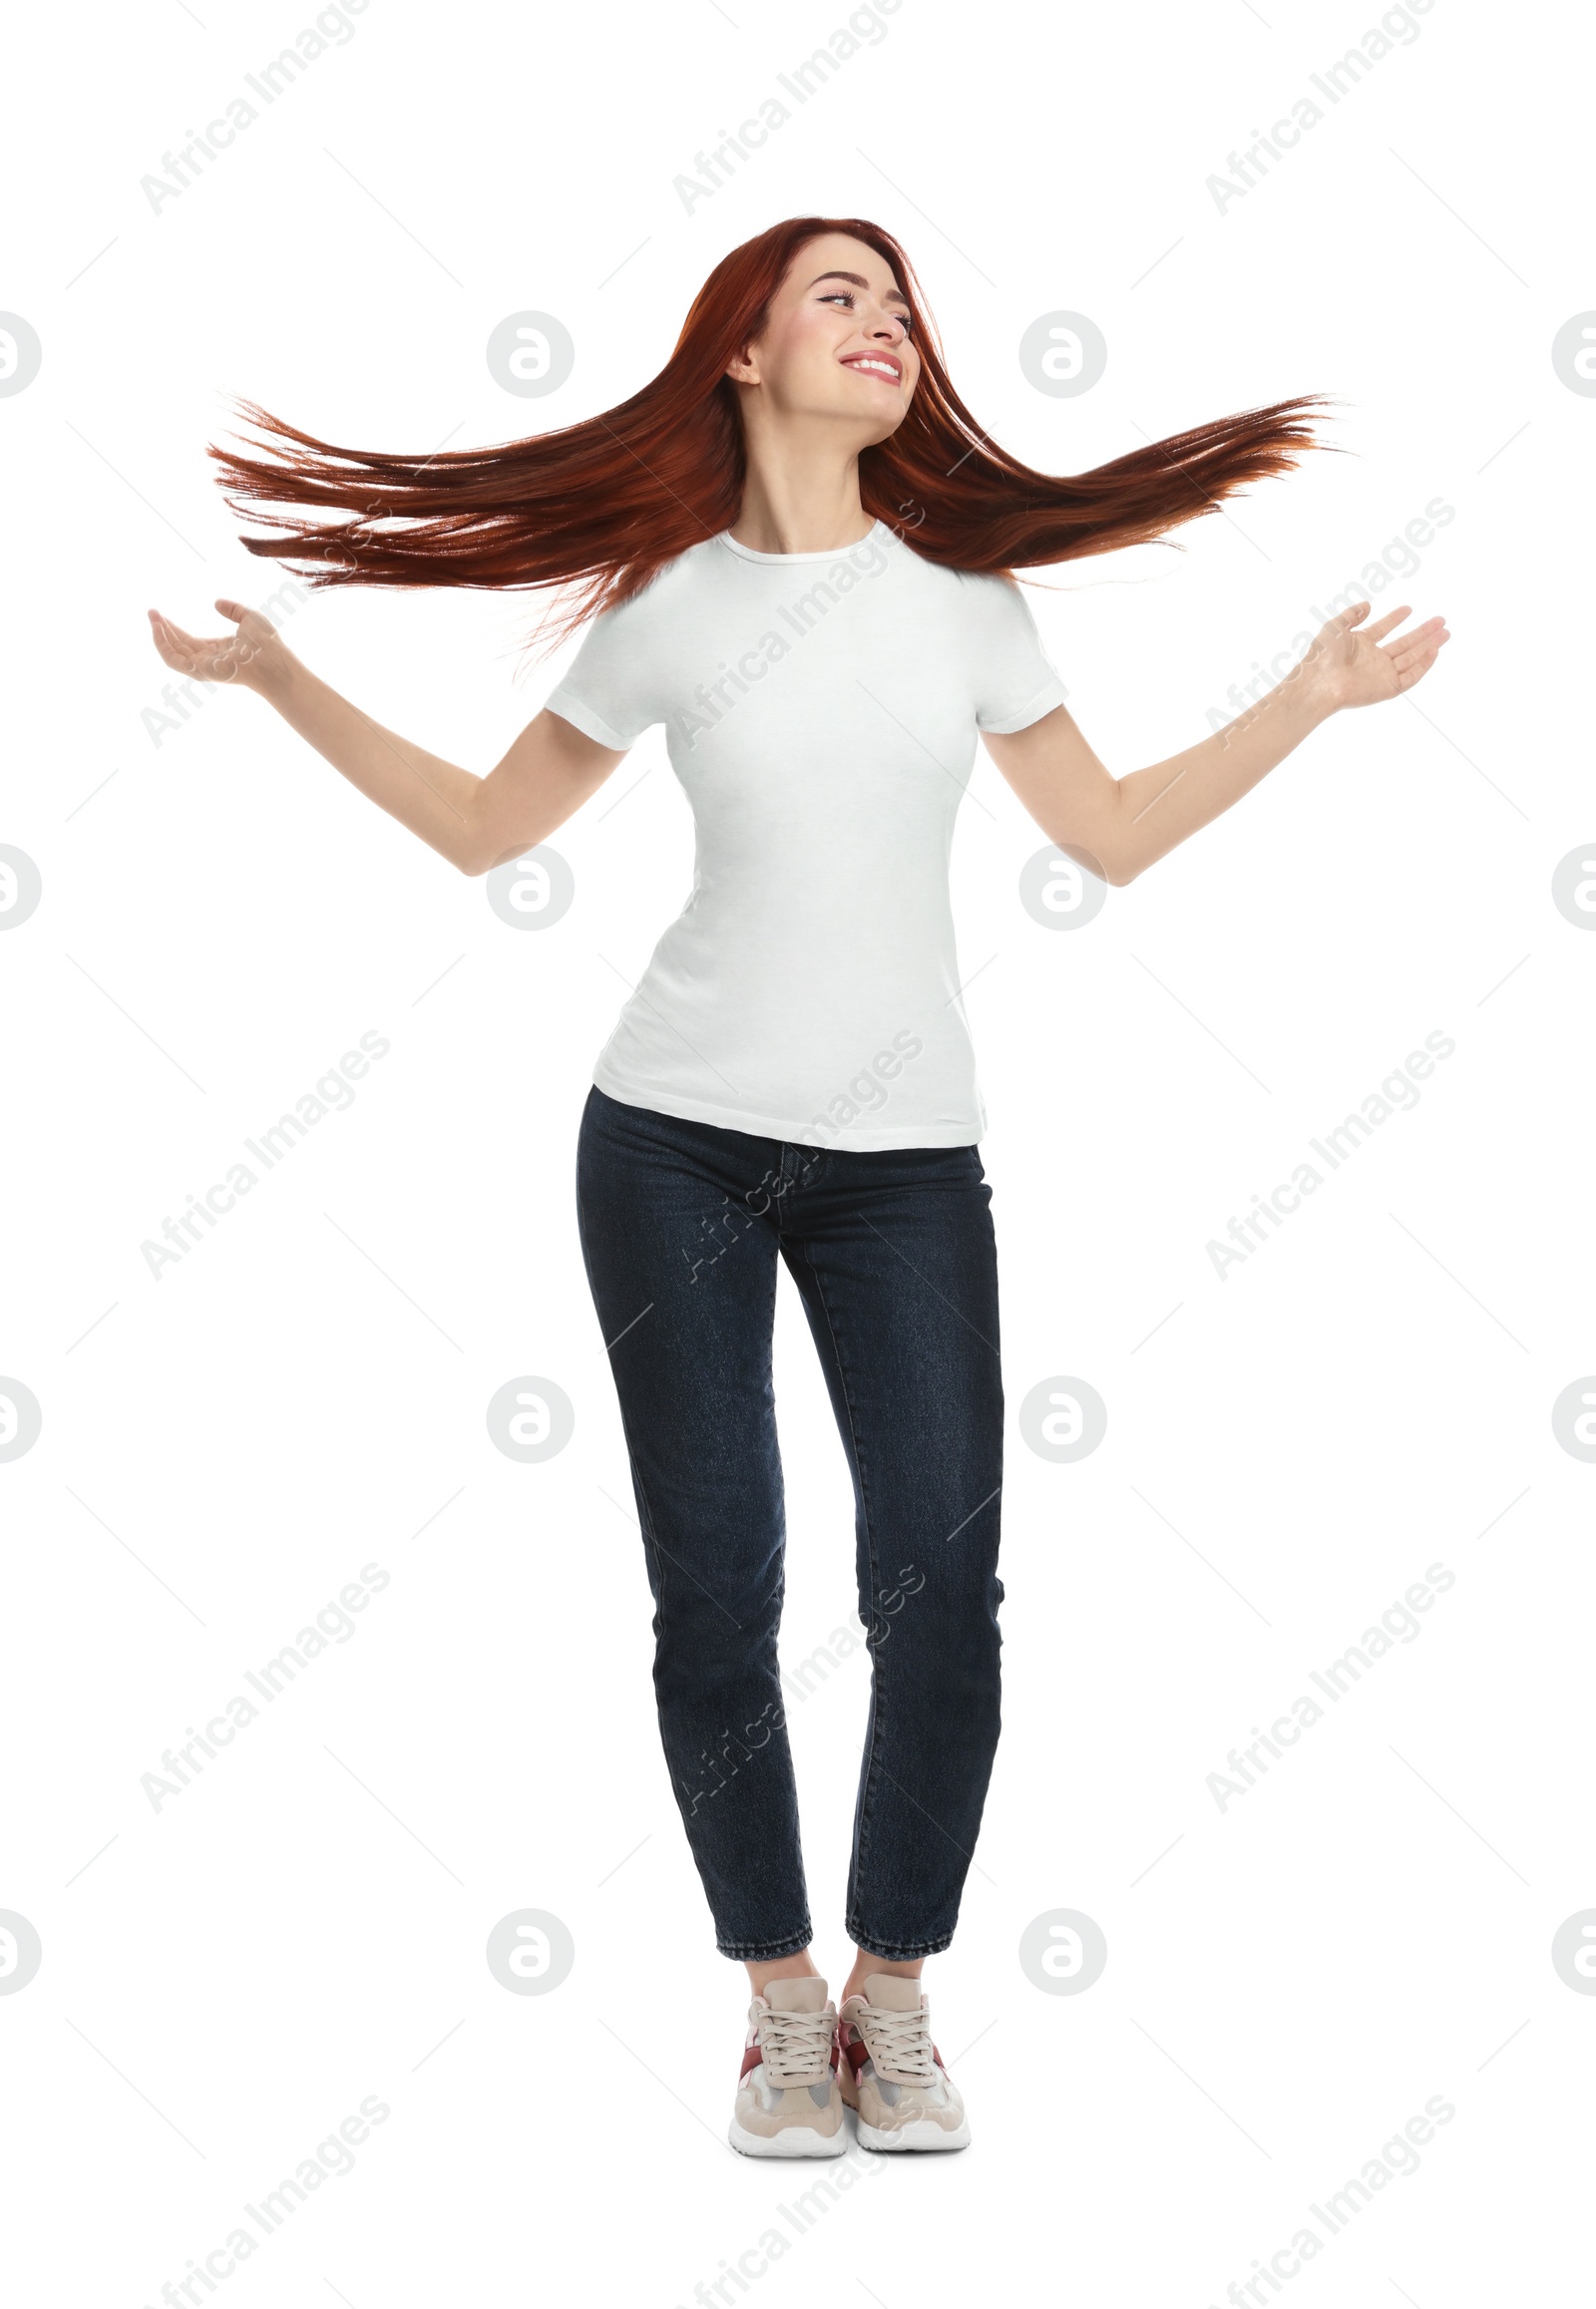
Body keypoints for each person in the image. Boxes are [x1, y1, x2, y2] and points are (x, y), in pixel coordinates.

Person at [147, 213, 1447, 2158]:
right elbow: (488, 826)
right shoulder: (667, 605)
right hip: (666, 1140)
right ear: (742, 353)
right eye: (843, 294)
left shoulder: (967, 602)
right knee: (715, 1589)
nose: (891, 323)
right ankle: (773, 2002)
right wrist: (270, 683)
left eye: (907, 303)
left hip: (904, 1166)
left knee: (940, 1590)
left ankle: (894, 1995)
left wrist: (1308, 702)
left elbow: (1097, 835)